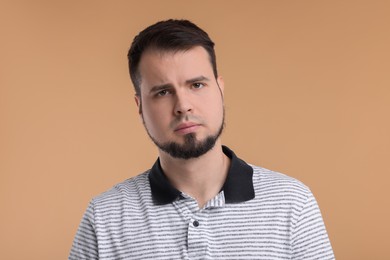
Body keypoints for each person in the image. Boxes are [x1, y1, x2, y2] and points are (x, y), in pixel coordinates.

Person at [69, 19, 334, 260]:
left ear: (219, 88)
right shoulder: (104, 218)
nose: (183, 106)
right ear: (140, 106)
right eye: (162, 92)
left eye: (196, 85)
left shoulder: (292, 203)